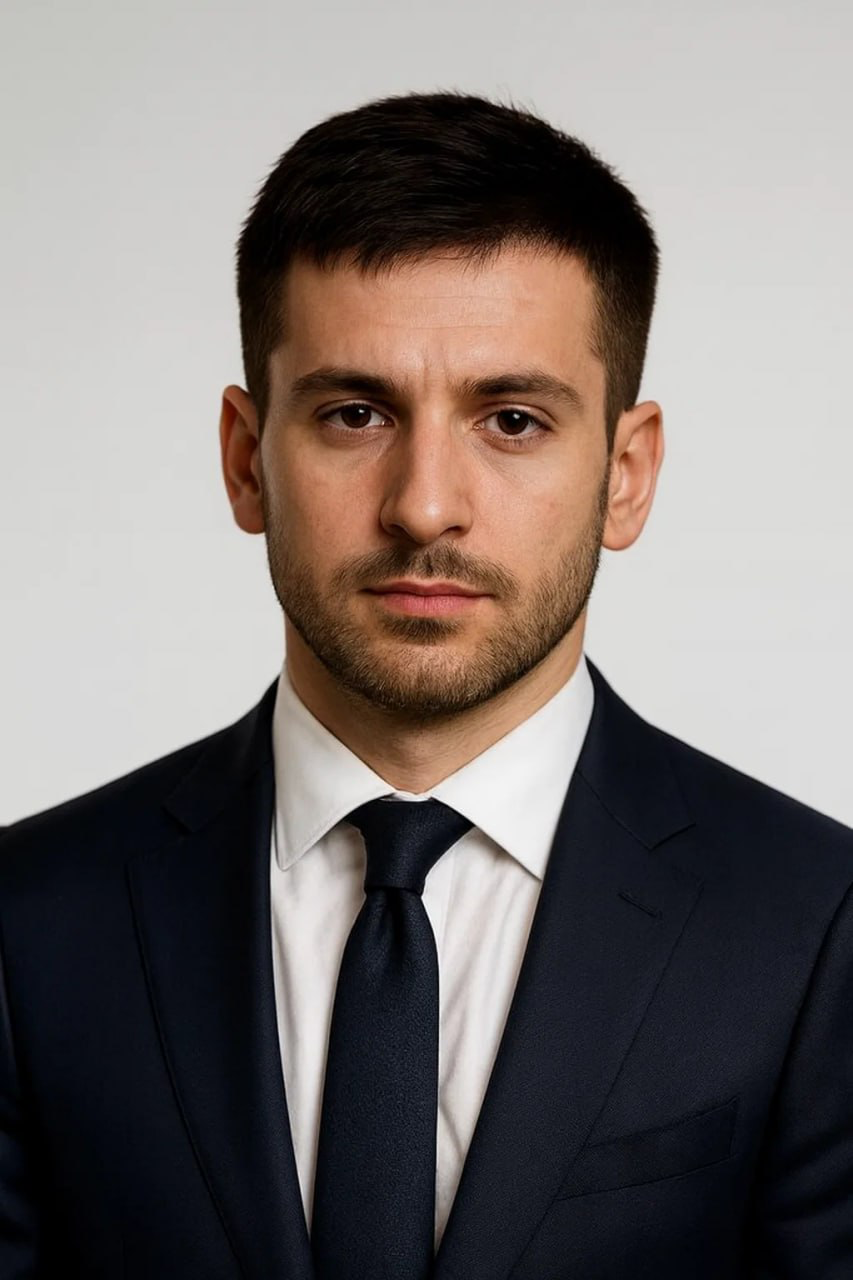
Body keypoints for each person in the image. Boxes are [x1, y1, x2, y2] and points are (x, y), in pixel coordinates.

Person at [1, 89, 851, 1280]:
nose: (424, 505)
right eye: (354, 413)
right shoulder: (28, 921)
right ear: (248, 461)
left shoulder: (817, 924)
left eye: (511, 418)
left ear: (625, 473)